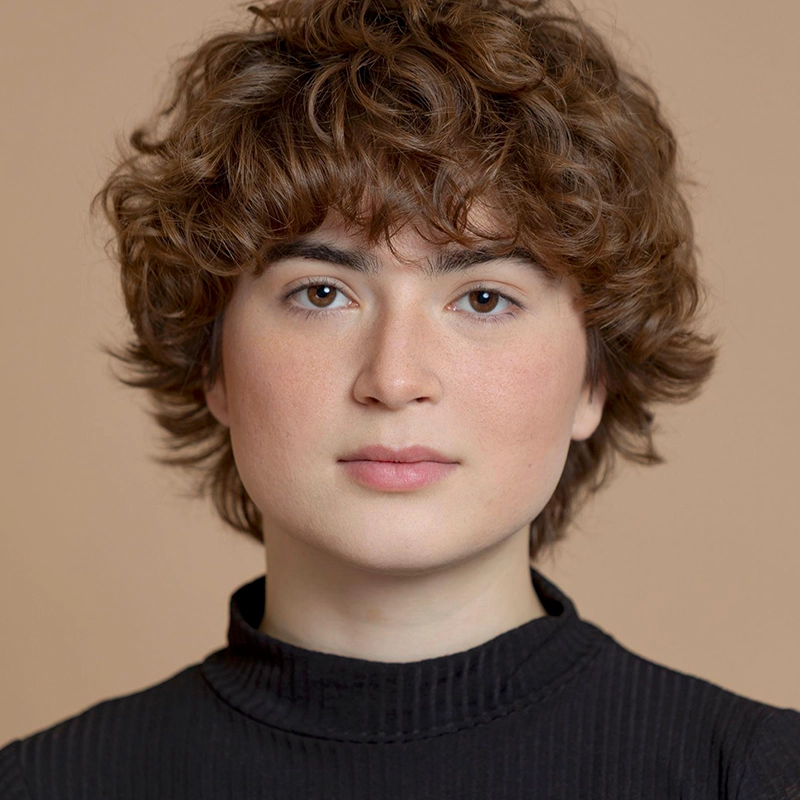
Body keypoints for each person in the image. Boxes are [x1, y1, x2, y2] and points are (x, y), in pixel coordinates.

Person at [1, 0, 797, 795]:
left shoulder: (754, 776)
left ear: (595, 376)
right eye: (320, 293)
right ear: (212, 361)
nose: (394, 379)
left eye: (484, 299)